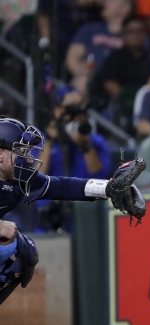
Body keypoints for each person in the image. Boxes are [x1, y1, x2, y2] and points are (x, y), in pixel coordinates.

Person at [0, 117, 145, 325]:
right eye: (20, 151)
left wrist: (107, 188)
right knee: (7, 242)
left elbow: (62, 186)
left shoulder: (19, 179)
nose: (28, 158)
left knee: (22, 252)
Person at [35, 88, 112, 232]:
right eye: (71, 109)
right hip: (50, 219)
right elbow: (35, 179)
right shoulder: (42, 142)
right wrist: (50, 140)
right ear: (58, 111)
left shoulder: (95, 142)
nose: (77, 115)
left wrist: (86, 146)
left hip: (85, 217)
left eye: (80, 109)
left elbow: (100, 178)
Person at [64, 0, 133, 93]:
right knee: (82, 82)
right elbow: (72, 58)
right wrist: (80, 72)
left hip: (116, 86)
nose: (106, 2)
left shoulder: (132, 35)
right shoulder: (89, 29)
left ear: (125, 8)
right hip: (89, 83)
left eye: (111, 1)